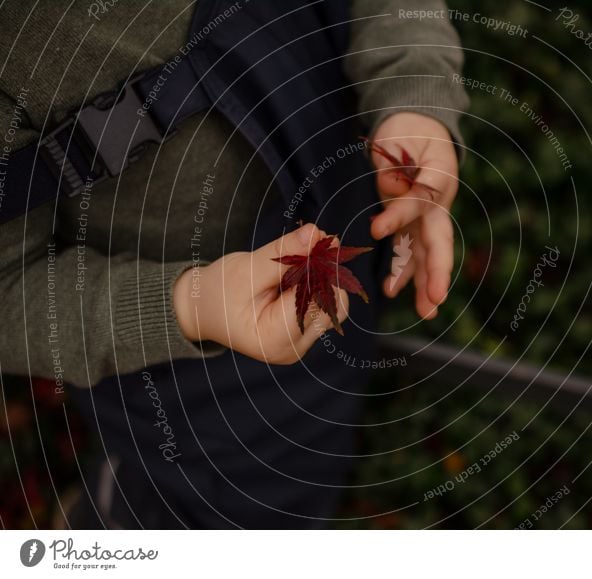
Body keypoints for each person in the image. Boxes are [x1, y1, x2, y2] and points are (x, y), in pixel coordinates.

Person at [0, 0, 468, 528]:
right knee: (231, 507)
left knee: (311, 453)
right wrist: (186, 306)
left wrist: (413, 97)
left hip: (348, 212)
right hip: (190, 367)